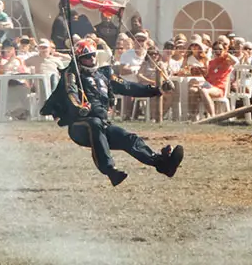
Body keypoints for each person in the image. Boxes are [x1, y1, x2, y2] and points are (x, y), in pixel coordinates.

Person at [43, 39, 182, 186]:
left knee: (128, 138)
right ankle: (110, 170)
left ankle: (163, 164)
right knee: (94, 123)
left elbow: (128, 87)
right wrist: (79, 107)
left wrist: (157, 90)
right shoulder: (72, 75)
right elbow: (71, 93)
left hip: (102, 125)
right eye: (86, 57)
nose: (91, 59)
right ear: (78, 59)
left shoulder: (104, 75)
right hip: (79, 126)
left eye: (92, 55)